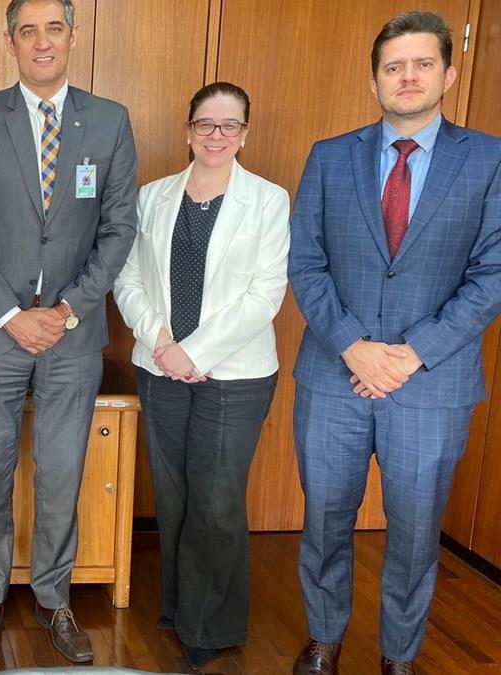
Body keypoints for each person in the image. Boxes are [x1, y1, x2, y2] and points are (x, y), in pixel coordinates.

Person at [288, 11, 501, 675]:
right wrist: (354, 344)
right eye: (393, 66)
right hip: (333, 375)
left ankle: (399, 656)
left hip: (429, 383)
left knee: (412, 535)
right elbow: (306, 262)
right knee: (326, 519)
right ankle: (324, 638)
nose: (407, 77)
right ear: (374, 78)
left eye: (421, 64)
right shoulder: (330, 156)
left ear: (448, 72)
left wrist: (411, 352)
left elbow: (493, 271)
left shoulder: (490, 160)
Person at [0, 0, 137, 664]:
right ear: (11, 42)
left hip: (73, 335)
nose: (42, 41)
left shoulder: (110, 122)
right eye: (29, 31)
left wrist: (66, 310)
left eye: (54, 28)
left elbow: (118, 231)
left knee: (61, 470)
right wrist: (10, 314)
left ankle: (54, 600)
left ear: (73, 37)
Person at [113, 82, 289, 670]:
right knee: (173, 495)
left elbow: (266, 294)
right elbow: (127, 279)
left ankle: (209, 625)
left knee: (216, 501)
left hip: (234, 375)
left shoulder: (268, 200)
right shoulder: (152, 197)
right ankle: (179, 605)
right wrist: (161, 342)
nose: (217, 135)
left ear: (245, 133)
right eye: (206, 124)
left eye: (230, 125)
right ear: (188, 130)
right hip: (159, 365)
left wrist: (197, 352)